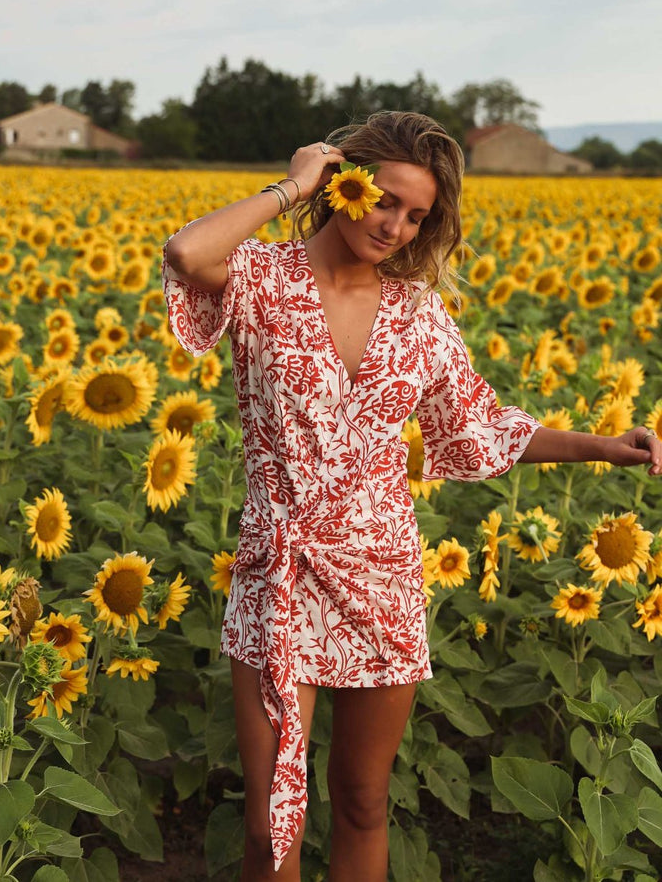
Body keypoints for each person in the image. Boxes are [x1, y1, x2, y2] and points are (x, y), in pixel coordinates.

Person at [161, 111, 661, 882]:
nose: (395, 226)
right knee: (269, 827)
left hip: (382, 575)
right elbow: (186, 252)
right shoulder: (264, 279)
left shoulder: (419, 318)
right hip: (279, 572)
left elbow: (483, 430)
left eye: (417, 214)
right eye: (382, 199)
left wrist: (607, 446)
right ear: (344, 186)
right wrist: (294, 185)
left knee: (362, 801)